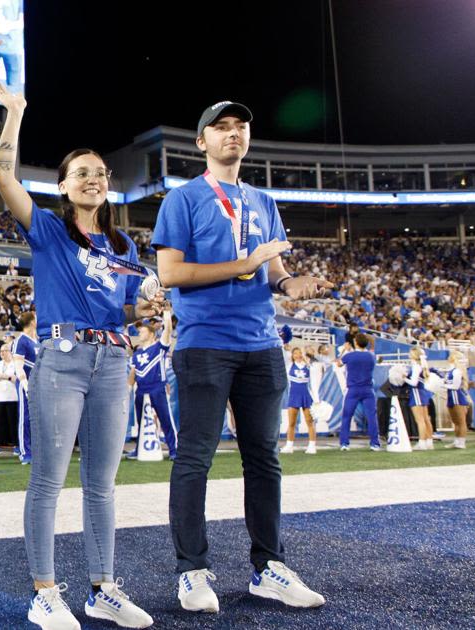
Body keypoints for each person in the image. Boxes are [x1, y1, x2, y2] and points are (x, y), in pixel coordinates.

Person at [152, 101, 331, 613]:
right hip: (204, 342)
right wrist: (242, 264)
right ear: (201, 142)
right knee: (195, 459)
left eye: (240, 127)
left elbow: (273, 270)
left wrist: (292, 283)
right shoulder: (183, 199)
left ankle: (268, 566)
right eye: (221, 127)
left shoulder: (263, 199)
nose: (233, 134)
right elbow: (170, 275)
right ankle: (191, 571)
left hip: (262, 344)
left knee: (264, 460)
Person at [0, 81, 159, 630]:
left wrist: (149, 310)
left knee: (103, 484)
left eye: (101, 174)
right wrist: (15, 113)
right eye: (82, 172)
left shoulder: (124, 248)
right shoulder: (47, 228)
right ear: (64, 185)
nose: (94, 179)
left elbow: (127, 311)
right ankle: (44, 591)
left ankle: (102, 588)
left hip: (113, 362)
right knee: (48, 480)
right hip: (61, 360)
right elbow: (3, 177)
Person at [128, 312, 178, 459]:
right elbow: (133, 372)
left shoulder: (159, 347)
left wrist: (167, 314)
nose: (140, 333)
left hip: (158, 387)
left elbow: (167, 331)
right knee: (141, 421)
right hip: (141, 390)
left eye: (142, 331)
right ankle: (139, 449)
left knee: (165, 419)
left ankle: (173, 450)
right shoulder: (137, 353)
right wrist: (128, 389)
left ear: (151, 333)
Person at [12, 310, 37, 465]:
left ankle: (36, 450)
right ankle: (25, 452)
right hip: (26, 384)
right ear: (32, 322)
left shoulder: (37, 340)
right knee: (25, 418)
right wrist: (25, 384)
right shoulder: (21, 340)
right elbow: (18, 366)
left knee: (38, 419)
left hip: (39, 383)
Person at [282, 346, 317, 455]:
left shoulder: (309, 367)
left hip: (306, 396)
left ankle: (312, 446)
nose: (298, 355)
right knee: (291, 423)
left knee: (310, 422)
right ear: (292, 356)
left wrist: (316, 399)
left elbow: (315, 382)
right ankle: (289, 445)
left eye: (300, 353)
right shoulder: (289, 367)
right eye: (295, 353)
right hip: (294, 396)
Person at [0, 343, 24, 448]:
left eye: (5, 350)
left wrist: (6, 377)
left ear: (11, 352)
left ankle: (17, 445)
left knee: (13, 422)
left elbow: (17, 380)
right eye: (1, 351)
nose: (2, 353)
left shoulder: (16, 365)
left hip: (13, 398)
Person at [436, 349, 469, 450]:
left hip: (457, 397)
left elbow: (455, 386)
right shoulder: (451, 371)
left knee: (461, 421)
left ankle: (462, 442)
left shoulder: (457, 371)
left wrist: (442, 385)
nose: (448, 357)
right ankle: (457, 441)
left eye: (451, 356)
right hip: (451, 397)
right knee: (455, 422)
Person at [405, 346, 436, 450]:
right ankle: (429, 442)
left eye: (410, 353)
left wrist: (404, 378)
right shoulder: (421, 366)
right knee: (426, 419)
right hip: (422, 393)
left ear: (414, 355)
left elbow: (413, 383)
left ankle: (422, 443)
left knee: (420, 420)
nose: (409, 355)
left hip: (417, 393)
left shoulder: (416, 366)